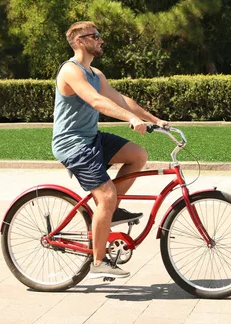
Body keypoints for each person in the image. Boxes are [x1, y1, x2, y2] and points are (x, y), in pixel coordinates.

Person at [52, 21, 169, 279]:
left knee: (138, 155)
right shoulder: (70, 71)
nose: (101, 40)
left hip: (91, 138)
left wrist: (154, 119)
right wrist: (130, 119)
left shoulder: (96, 74)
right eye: (95, 36)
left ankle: (111, 212)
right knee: (105, 196)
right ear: (80, 41)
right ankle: (98, 261)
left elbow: (121, 100)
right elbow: (96, 101)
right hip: (72, 144)